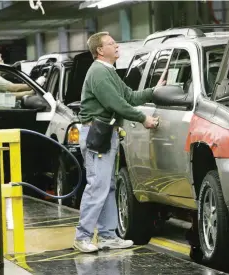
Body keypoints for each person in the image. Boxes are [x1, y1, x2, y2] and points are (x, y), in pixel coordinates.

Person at [73, 31, 164, 253]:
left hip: (107, 133)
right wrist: (144, 119)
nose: (116, 45)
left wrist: (154, 91)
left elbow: (129, 97)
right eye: (111, 43)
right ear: (100, 50)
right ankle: (82, 236)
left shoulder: (109, 72)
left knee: (108, 186)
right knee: (98, 186)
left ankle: (107, 236)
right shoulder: (99, 73)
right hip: (97, 135)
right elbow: (117, 104)